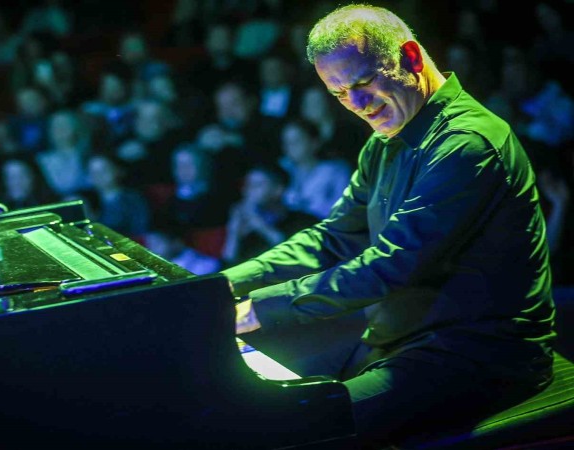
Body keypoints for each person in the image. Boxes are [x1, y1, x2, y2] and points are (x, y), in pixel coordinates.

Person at [222, 4, 556, 448]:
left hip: (477, 353)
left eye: (363, 83)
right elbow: (333, 238)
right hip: (401, 339)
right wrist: (222, 285)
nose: (358, 105)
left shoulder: (466, 144)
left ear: (411, 57)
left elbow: (391, 266)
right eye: (340, 94)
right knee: (246, 403)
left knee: (300, 428)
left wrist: (255, 311)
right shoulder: (386, 138)